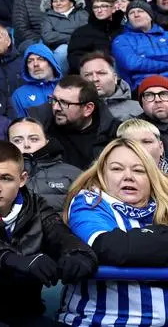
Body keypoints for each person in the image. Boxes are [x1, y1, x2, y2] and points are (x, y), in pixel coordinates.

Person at [0, 140, 99, 327]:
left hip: (25, 312)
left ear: (22, 179)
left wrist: (78, 254)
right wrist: (15, 260)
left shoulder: (37, 206)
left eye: (5, 178)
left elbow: (60, 235)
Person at [60, 139, 168, 327]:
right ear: (102, 174)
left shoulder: (162, 206)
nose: (128, 176)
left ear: (151, 177)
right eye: (117, 169)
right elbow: (112, 247)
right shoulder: (89, 202)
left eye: (139, 170)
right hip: (100, 322)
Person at [38, 75, 121, 169]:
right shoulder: (42, 130)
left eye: (64, 103)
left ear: (88, 109)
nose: (55, 107)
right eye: (54, 100)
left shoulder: (115, 135)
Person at [7, 117, 83, 211]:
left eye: (34, 139)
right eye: (17, 140)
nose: (26, 145)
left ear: (46, 141)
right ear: (7, 144)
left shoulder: (74, 174)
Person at [112, 0, 168, 89]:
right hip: (142, 86)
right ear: (128, 19)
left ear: (150, 16)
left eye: (140, 11)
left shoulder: (166, 35)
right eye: (131, 13)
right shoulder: (122, 40)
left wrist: (145, 57)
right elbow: (132, 64)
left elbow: (139, 62)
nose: (136, 15)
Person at [79, 51, 144, 120]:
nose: (94, 79)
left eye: (101, 73)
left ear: (115, 78)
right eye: (88, 75)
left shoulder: (139, 109)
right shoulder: (73, 111)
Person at [12, 44, 63, 117]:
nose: (35, 64)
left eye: (41, 59)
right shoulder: (19, 95)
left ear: (51, 62)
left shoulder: (67, 87)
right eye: (30, 61)